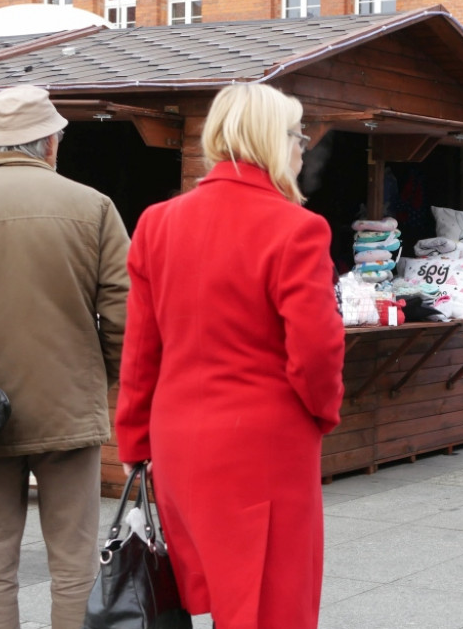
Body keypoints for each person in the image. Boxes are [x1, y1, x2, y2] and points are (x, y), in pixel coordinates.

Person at [115, 83, 345, 628]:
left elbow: (142, 347)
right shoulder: (296, 228)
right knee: (270, 608)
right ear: (270, 140)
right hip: (263, 446)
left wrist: (134, 438)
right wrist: (321, 413)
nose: (302, 147)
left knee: (209, 592)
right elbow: (316, 348)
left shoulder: (157, 222)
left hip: (178, 441)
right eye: (296, 135)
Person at [0, 86, 130, 628]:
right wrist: (102, 379)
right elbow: (123, 315)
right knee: (74, 564)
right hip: (67, 408)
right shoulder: (93, 206)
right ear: (51, 146)